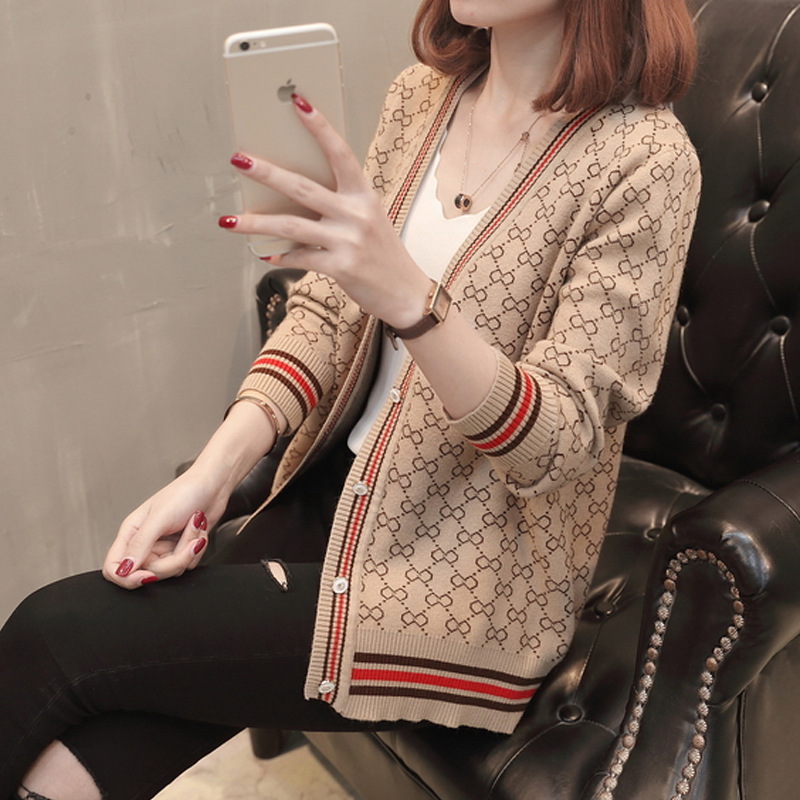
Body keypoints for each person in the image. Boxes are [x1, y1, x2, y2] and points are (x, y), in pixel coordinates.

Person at [0, 0, 701, 797]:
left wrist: (410, 299)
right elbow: (328, 313)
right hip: (332, 502)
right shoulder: (422, 96)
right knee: (71, 760)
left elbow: (557, 443)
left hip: (469, 586)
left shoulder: (646, 160)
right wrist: (211, 475)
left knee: (55, 632)